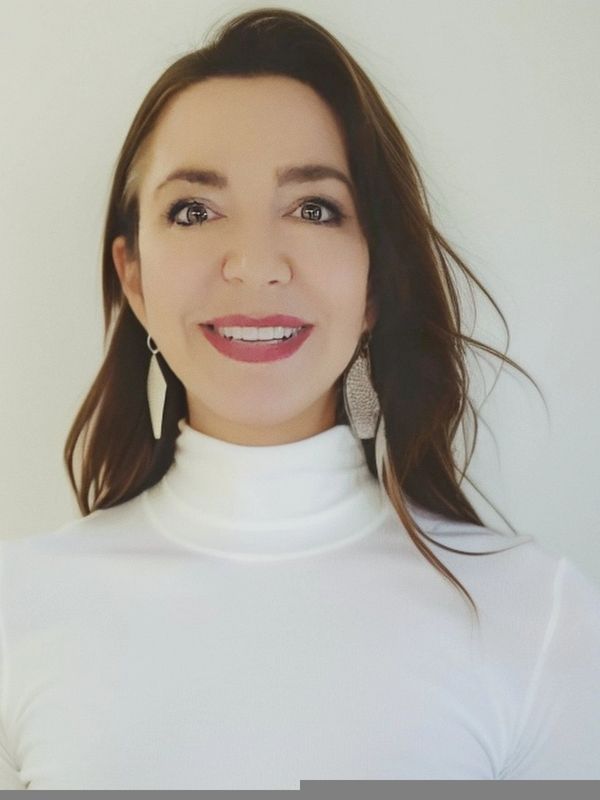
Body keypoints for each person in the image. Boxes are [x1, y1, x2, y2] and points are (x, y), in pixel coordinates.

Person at [1, 6, 599, 790]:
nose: (255, 264)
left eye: (314, 208)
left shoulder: (534, 616)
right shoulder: (18, 611)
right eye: (194, 210)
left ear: (375, 282)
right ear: (134, 278)